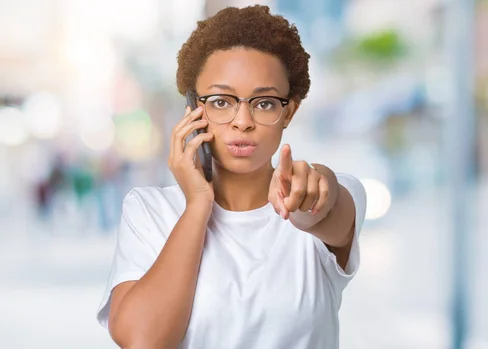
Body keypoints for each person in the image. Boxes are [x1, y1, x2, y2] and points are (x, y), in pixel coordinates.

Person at [96, 5, 366, 349]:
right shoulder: (149, 210)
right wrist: (197, 204)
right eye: (221, 101)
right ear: (195, 110)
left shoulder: (333, 193)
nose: (242, 121)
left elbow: (320, 203)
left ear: (290, 111)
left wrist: (311, 191)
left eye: (264, 102)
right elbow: (143, 340)